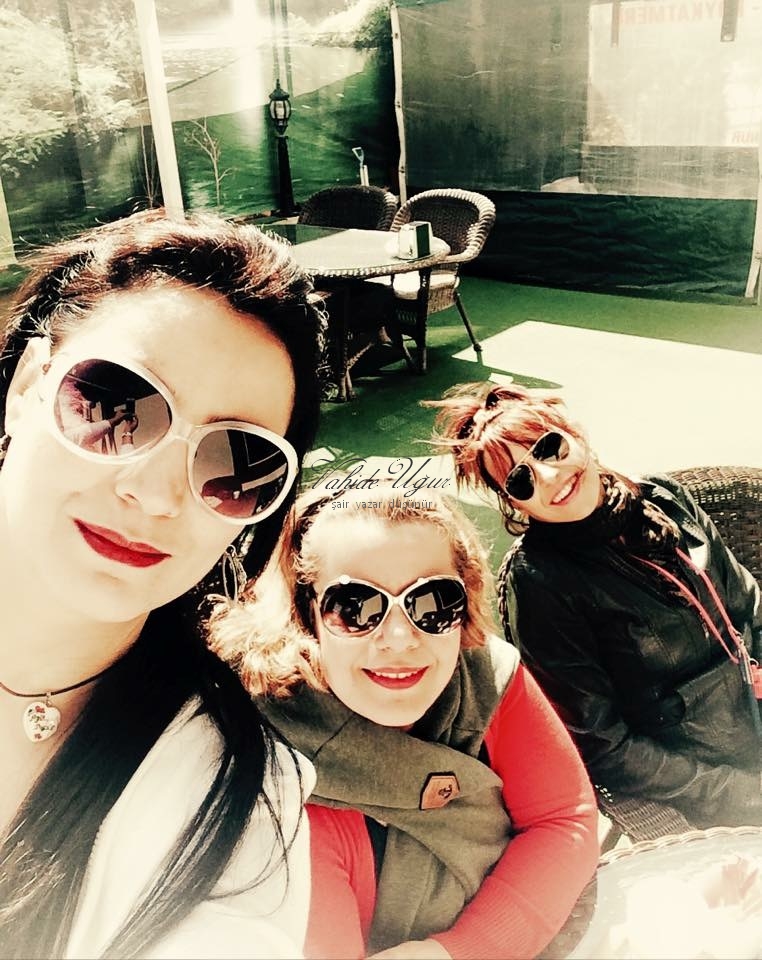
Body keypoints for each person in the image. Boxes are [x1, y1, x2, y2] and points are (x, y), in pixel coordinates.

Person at [0, 209, 326, 959]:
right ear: (26, 385)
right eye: (115, 405)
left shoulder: (234, 805)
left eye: (235, 462)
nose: (155, 494)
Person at [209, 484, 599, 959]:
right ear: (306, 614)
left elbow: (564, 818)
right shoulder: (276, 789)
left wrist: (457, 953)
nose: (398, 638)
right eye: (355, 607)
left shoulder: (486, 675)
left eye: (433, 601)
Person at [428, 382, 762, 830]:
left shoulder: (663, 499)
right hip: (703, 776)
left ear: (576, 434)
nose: (548, 476)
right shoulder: (542, 585)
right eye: (521, 480)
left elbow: (749, 604)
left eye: (549, 447)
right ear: (513, 503)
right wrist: (738, 791)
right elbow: (603, 747)